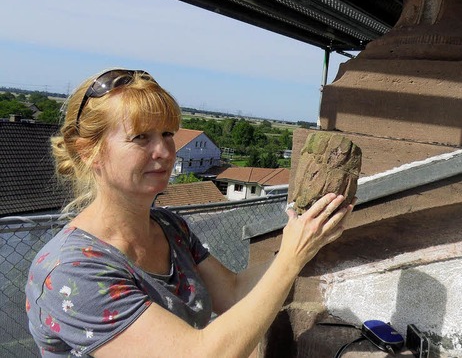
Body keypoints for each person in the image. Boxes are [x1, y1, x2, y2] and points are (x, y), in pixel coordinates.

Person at [25, 68, 353, 357]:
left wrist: (307, 237)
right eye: (141, 137)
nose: (165, 151)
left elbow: (235, 292)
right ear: (88, 152)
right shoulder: (70, 272)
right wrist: (292, 257)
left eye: (168, 133)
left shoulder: (169, 227)